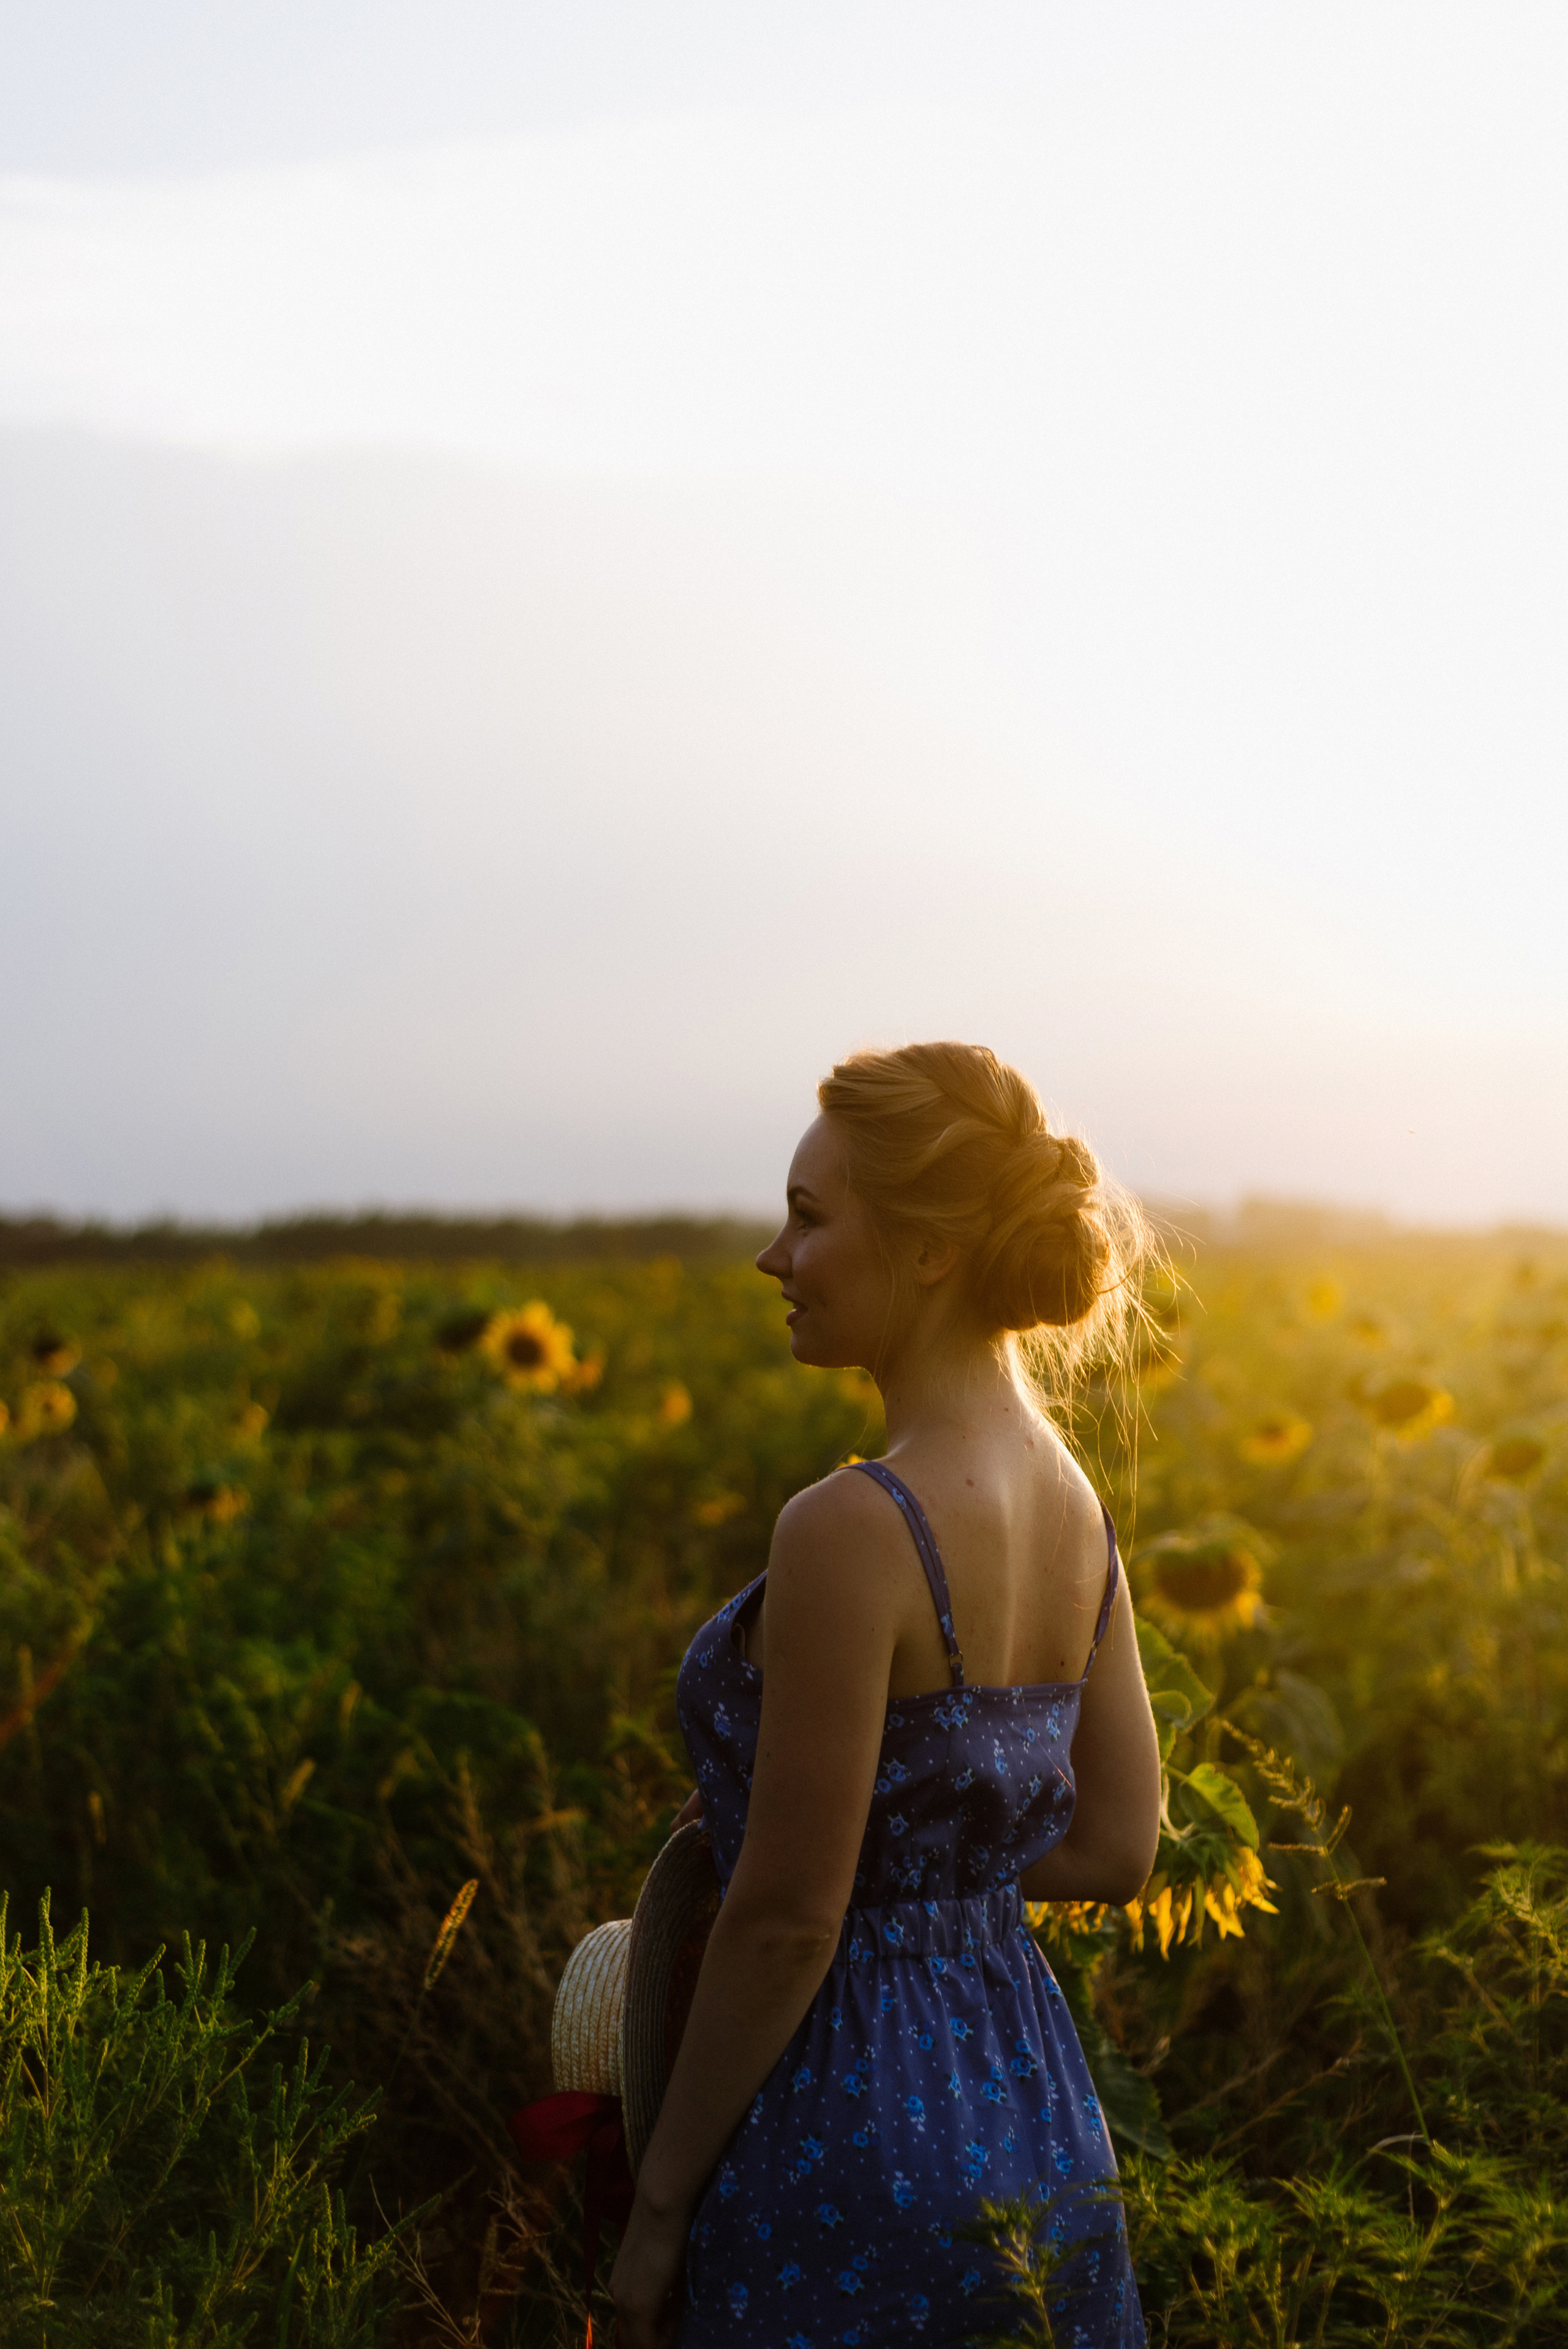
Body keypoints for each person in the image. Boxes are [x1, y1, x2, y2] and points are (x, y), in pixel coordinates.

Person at [611, 1042, 1161, 2347]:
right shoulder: (1075, 1507)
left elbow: (790, 1920)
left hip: (837, 2125)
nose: (774, 1256)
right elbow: (1115, 1848)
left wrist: (652, 2210)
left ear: (924, 1249)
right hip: (1031, 2116)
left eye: (808, 1217)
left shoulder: (852, 1525)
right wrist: (933, 1887)